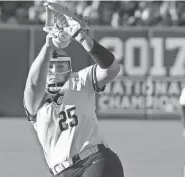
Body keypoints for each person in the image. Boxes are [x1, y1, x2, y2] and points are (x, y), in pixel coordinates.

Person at [23, 4, 124, 177]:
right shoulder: (36, 105)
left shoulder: (78, 80)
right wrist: (48, 45)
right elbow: (32, 84)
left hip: (93, 160)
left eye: (61, 65)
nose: (56, 70)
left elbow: (111, 69)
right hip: (62, 172)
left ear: (69, 67)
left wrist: (81, 36)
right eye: (51, 66)